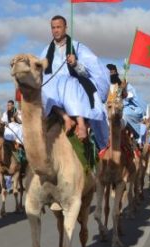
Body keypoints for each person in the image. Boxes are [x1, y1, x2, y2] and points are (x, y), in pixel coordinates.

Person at [40, 15, 110, 150]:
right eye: (53, 28)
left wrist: (76, 64)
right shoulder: (45, 51)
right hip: (53, 89)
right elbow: (41, 73)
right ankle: (66, 118)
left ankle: (81, 124)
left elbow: (91, 71)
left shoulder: (77, 47)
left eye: (58, 27)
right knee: (42, 89)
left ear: (65, 28)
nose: (56, 30)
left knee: (68, 84)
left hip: (74, 84)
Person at [107, 63, 146, 139]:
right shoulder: (105, 85)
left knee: (123, 117)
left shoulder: (124, 85)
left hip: (122, 112)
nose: (111, 74)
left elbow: (135, 99)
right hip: (107, 111)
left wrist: (125, 93)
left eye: (113, 72)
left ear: (116, 72)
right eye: (109, 72)